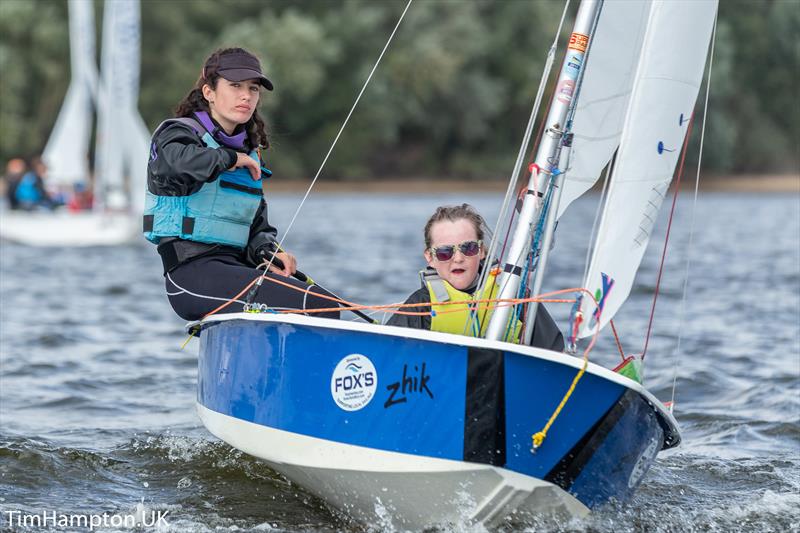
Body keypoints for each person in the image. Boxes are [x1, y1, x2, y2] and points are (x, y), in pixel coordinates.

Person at [143, 47, 339, 321]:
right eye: (235, 86)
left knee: (331, 304)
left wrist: (267, 252)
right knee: (318, 306)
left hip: (234, 270)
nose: (246, 95)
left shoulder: (250, 153)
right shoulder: (176, 134)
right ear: (208, 92)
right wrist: (229, 158)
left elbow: (257, 227)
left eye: (253, 88)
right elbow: (174, 163)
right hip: (190, 277)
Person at [387, 204, 564, 351]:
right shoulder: (421, 305)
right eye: (444, 252)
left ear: (481, 251)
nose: (458, 258)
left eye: (468, 248)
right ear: (430, 257)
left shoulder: (513, 294)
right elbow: (388, 357)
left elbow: (554, 351)